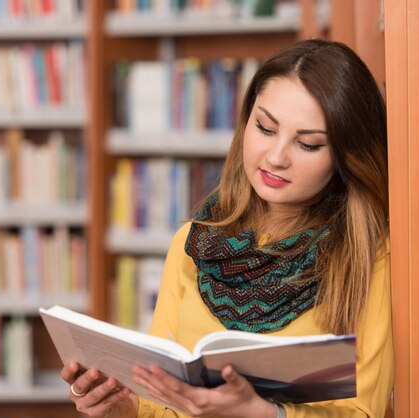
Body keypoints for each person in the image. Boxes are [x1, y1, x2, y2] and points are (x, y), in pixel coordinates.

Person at [61, 38, 393, 418]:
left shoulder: (369, 256)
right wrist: (127, 408)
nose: (276, 157)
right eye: (266, 128)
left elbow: (364, 412)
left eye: (308, 145)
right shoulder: (193, 243)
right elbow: (160, 404)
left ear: (344, 156)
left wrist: (262, 413)